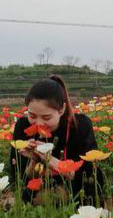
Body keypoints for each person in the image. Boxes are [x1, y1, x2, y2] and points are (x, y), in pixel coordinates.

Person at [8, 75, 103, 205]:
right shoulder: (23, 126)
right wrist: (34, 160)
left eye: (46, 117)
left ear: (62, 109)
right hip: (35, 196)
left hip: (74, 195)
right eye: (32, 115)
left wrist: (53, 162)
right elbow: (19, 180)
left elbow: (93, 178)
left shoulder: (80, 125)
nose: (39, 123)